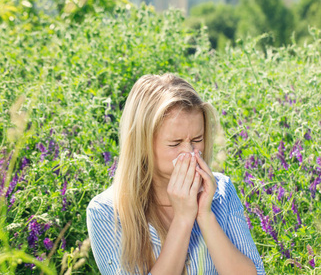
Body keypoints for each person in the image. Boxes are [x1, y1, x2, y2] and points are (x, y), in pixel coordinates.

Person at [86, 74, 265, 274]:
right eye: (175, 143)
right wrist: (182, 219)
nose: (189, 152)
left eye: (197, 139)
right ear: (142, 145)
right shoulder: (107, 211)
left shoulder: (221, 191)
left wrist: (204, 215)